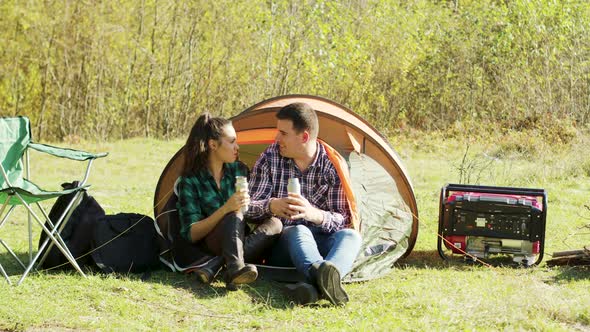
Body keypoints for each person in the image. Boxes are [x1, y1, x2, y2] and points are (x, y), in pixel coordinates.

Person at [246, 102, 362, 305]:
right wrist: (271, 206)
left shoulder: (330, 164)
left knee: (351, 236)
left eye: (283, 133)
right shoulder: (270, 157)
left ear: (304, 137)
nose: (277, 138)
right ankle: (323, 280)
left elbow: (343, 219)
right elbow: (247, 207)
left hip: (322, 240)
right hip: (284, 245)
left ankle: (313, 288)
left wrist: (313, 214)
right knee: (299, 230)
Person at [176, 113, 282, 290]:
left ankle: (220, 266)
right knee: (233, 215)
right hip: (211, 241)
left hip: (241, 236)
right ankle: (234, 267)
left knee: (276, 224)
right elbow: (191, 233)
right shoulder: (190, 181)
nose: (237, 147)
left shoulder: (239, 170)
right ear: (213, 145)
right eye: (232, 142)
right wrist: (226, 209)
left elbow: (252, 210)